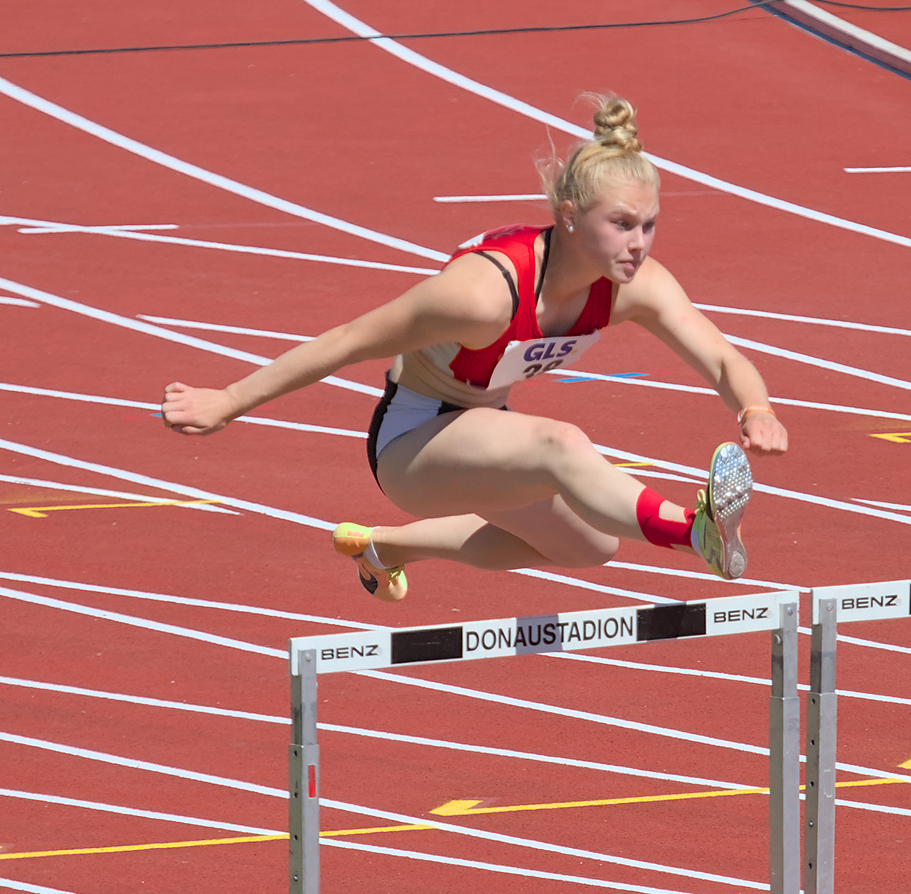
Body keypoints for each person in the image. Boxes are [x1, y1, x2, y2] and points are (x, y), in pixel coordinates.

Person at [162, 96, 788, 602]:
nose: (639, 244)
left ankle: (390, 547)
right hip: (411, 442)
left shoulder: (635, 287)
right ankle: (694, 532)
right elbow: (348, 341)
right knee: (561, 444)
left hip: (485, 430)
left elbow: (724, 358)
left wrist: (755, 409)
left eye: (649, 225)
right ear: (568, 215)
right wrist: (229, 400)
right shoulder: (483, 294)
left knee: (592, 547)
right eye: (622, 224)